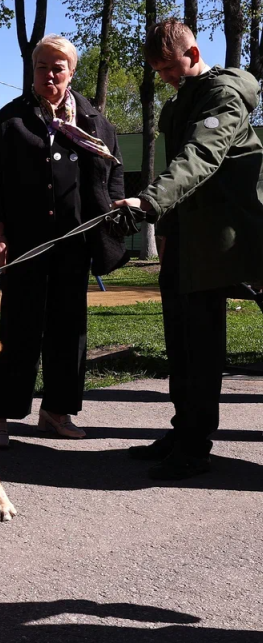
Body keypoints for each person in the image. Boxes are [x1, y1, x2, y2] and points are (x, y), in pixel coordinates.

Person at [112, 19, 263, 479]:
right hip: (189, 244)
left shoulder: (225, 95)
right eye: (159, 72)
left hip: (234, 240)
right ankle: (186, 433)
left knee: (200, 347)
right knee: (183, 344)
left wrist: (149, 199)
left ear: (193, 55)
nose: (166, 79)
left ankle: (195, 447)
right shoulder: (178, 105)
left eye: (171, 69)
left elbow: (201, 155)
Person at [0, 34, 125, 448]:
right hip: (25, 245)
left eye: (57, 67)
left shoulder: (93, 122)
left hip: (74, 246)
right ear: (33, 70)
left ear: (71, 72)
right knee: (18, 326)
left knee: (69, 329)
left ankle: (56, 412)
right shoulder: (12, 120)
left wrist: (113, 213)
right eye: (42, 66)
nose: (49, 74)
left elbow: (114, 170)